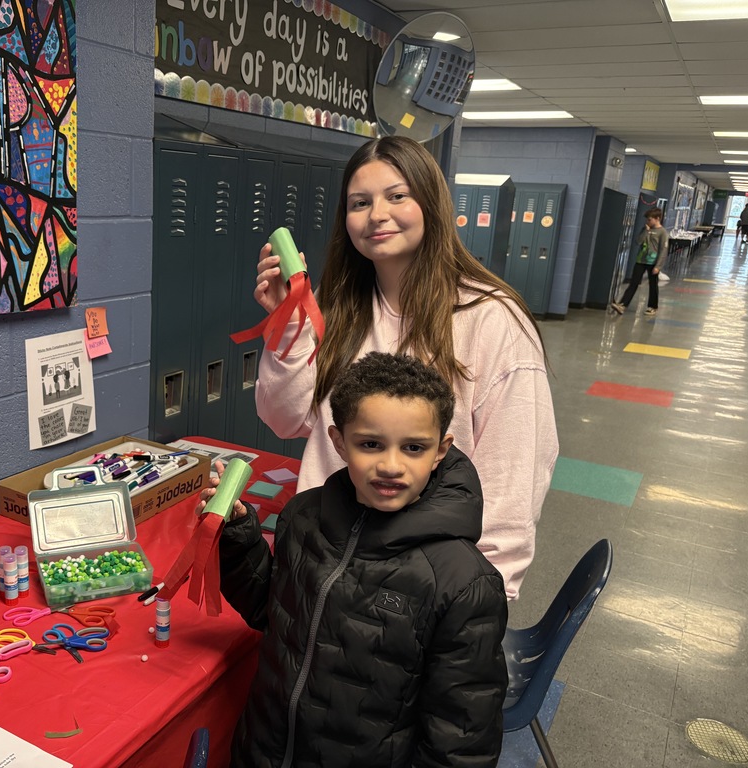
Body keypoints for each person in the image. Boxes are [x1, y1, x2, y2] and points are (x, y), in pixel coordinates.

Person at [251, 134, 557, 600]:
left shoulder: (492, 320)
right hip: (328, 562)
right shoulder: (341, 311)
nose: (377, 214)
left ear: (431, 204)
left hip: (424, 586)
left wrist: (484, 599)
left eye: (397, 196)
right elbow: (285, 419)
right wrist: (288, 327)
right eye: (360, 202)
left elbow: (514, 480)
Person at [215, 352, 508, 768]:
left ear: (441, 451)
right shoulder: (303, 517)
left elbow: (461, 740)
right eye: (370, 444)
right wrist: (237, 537)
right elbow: (273, 612)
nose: (391, 465)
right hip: (264, 749)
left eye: (414, 448)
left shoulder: (463, 582)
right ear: (339, 442)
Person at [610, 206, 669, 317]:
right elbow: (638, 241)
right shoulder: (646, 229)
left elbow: (663, 250)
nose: (648, 221)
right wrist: (645, 231)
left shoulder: (662, 233)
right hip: (641, 260)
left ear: (657, 219)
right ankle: (622, 305)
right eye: (647, 219)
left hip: (653, 262)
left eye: (650, 219)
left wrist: (658, 266)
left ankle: (652, 306)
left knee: (653, 285)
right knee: (634, 283)